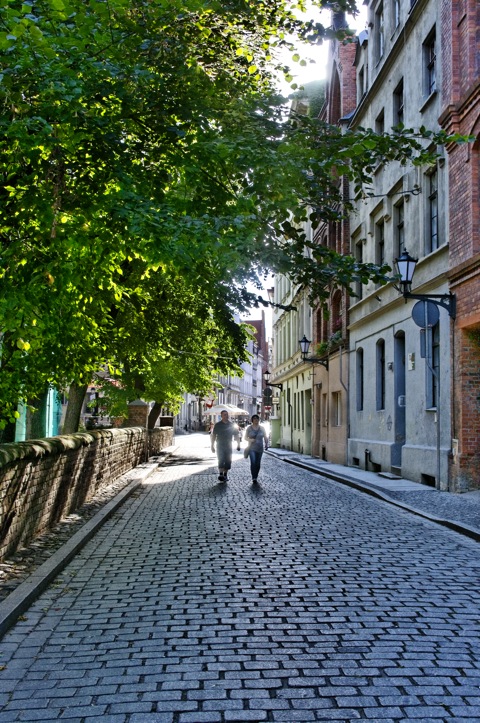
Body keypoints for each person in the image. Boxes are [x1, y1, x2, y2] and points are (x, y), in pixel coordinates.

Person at [211, 409, 235, 482]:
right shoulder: (218, 425)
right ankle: (221, 474)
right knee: (221, 459)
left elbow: (236, 434)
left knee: (228, 460)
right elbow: (214, 435)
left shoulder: (231, 424)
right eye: (224, 415)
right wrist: (212, 445)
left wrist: (238, 444)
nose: (226, 416)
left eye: (227, 414)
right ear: (221, 416)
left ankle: (225, 474)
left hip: (229, 445)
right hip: (220, 444)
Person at [244, 414, 268, 483]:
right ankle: (254, 477)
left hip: (260, 448)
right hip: (252, 448)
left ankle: (256, 475)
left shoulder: (262, 428)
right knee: (253, 462)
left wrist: (266, 444)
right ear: (252, 420)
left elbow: (265, 437)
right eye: (254, 418)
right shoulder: (249, 428)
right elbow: (245, 438)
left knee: (258, 463)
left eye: (257, 418)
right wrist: (250, 440)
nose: (256, 420)